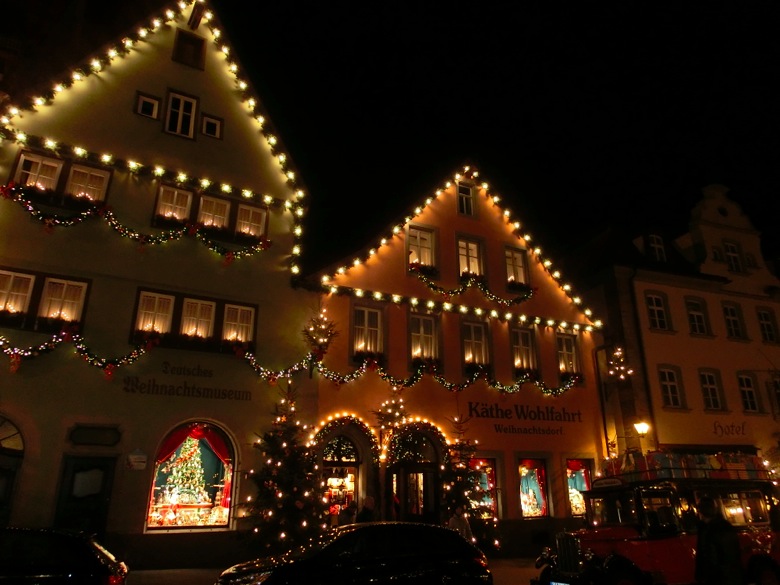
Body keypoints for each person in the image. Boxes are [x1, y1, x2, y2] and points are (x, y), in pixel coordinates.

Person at [694, 496, 743, 584]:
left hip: (720, 575)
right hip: (722, 574)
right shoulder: (723, 526)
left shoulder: (709, 528)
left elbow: (710, 554)